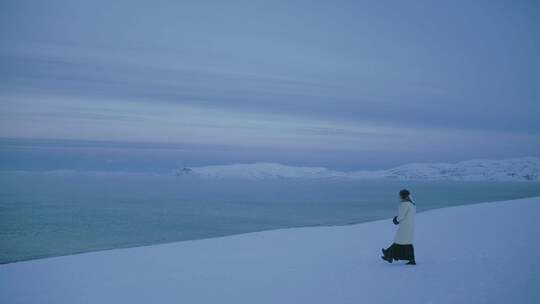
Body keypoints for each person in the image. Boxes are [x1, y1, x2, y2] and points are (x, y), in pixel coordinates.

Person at [381, 189, 416, 265]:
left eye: (400, 195)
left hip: (404, 227)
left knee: (399, 241)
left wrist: (395, 220)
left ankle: (388, 255)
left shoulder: (404, 205)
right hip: (410, 226)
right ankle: (389, 254)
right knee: (406, 243)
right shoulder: (412, 204)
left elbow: (400, 217)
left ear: (402, 196)